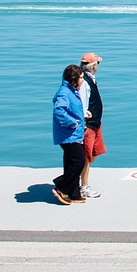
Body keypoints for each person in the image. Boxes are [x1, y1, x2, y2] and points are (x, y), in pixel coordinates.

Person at [51, 65, 87, 205]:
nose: (83, 81)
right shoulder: (64, 93)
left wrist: (83, 116)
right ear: (74, 79)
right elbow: (59, 111)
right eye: (81, 78)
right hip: (68, 135)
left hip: (74, 134)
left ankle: (73, 193)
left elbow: (73, 109)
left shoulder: (72, 91)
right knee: (79, 161)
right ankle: (61, 186)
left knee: (71, 162)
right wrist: (73, 123)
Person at [79, 53, 105, 199]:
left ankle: (77, 179)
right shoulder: (83, 82)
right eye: (97, 63)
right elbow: (82, 103)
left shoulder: (89, 79)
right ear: (93, 65)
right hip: (88, 125)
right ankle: (84, 186)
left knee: (94, 153)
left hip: (96, 123)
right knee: (86, 157)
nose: (97, 66)